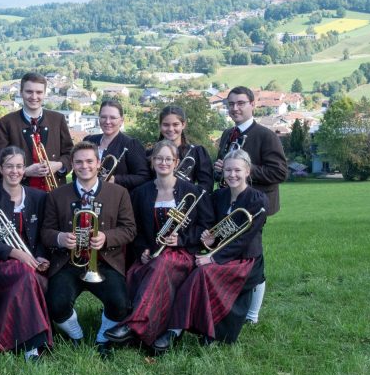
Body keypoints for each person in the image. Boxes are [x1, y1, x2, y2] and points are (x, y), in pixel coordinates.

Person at [104, 140, 213, 350]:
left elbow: (206, 227)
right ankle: (150, 332)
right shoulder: (140, 193)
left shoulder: (193, 192)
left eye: (168, 159)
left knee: (160, 265)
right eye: (159, 158)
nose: (164, 162)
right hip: (151, 253)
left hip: (182, 254)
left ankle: (133, 327)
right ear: (152, 162)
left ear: (176, 162)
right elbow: (134, 229)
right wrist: (142, 250)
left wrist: (181, 239)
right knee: (136, 273)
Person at [155, 149, 267, 352]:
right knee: (196, 272)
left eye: (237, 170)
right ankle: (183, 327)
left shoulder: (257, 200)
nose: (232, 175)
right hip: (220, 254)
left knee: (203, 273)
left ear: (248, 171)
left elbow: (244, 239)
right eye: (228, 170)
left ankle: (181, 329)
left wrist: (213, 258)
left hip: (245, 260)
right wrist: (208, 238)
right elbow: (212, 229)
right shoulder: (219, 196)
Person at [41, 141, 136, 358]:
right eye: (79, 162)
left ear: (98, 164)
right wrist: (61, 238)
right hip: (68, 261)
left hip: (104, 261)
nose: (85, 166)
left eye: (89, 161)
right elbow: (46, 232)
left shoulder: (119, 193)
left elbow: (129, 230)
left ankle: (103, 337)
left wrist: (106, 237)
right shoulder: (57, 195)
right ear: (72, 165)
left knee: (121, 304)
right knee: (56, 304)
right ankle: (76, 335)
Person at [214, 86, 287, 324]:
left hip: (256, 205)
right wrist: (221, 171)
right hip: (231, 205)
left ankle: (252, 315)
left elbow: (279, 172)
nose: (235, 108)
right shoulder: (227, 135)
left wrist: (244, 169)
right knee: (234, 253)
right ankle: (233, 304)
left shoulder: (267, 136)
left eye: (241, 103)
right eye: (231, 104)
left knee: (253, 256)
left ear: (252, 105)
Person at [0, 146, 53, 362]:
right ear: (0, 168)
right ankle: (32, 348)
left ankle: (14, 336)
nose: (14, 171)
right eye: (9, 166)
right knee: (27, 276)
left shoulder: (38, 197)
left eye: (19, 166)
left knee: (30, 275)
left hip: (34, 261)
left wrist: (42, 256)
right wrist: (18, 254)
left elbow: (45, 233)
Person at [0, 72, 73, 191]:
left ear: (45, 93)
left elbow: (70, 153)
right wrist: (24, 172)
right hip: (20, 193)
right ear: (21, 92)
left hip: (54, 193)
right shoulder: (5, 123)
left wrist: (58, 165)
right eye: (29, 91)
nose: (34, 97)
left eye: (39, 92)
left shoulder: (58, 119)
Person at [82, 100, 150, 190]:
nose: (107, 121)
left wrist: (116, 179)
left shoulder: (131, 145)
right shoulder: (89, 140)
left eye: (113, 118)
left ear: (121, 120)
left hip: (116, 200)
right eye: (103, 117)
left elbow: (144, 177)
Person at [152, 105, 214, 194]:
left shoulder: (197, 152)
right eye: (166, 125)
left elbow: (206, 186)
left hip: (186, 204)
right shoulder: (151, 154)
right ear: (160, 126)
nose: (170, 129)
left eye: (175, 124)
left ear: (183, 125)